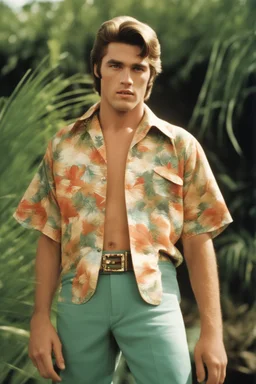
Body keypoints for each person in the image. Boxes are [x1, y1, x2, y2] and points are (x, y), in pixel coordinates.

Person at [13, 16, 233, 384]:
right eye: (116, 65)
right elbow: (50, 236)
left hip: (153, 294)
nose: (127, 78)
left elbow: (198, 239)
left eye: (138, 68)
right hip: (80, 294)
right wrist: (39, 318)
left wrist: (212, 333)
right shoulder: (63, 146)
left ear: (151, 76)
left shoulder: (179, 145)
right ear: (98, 68)